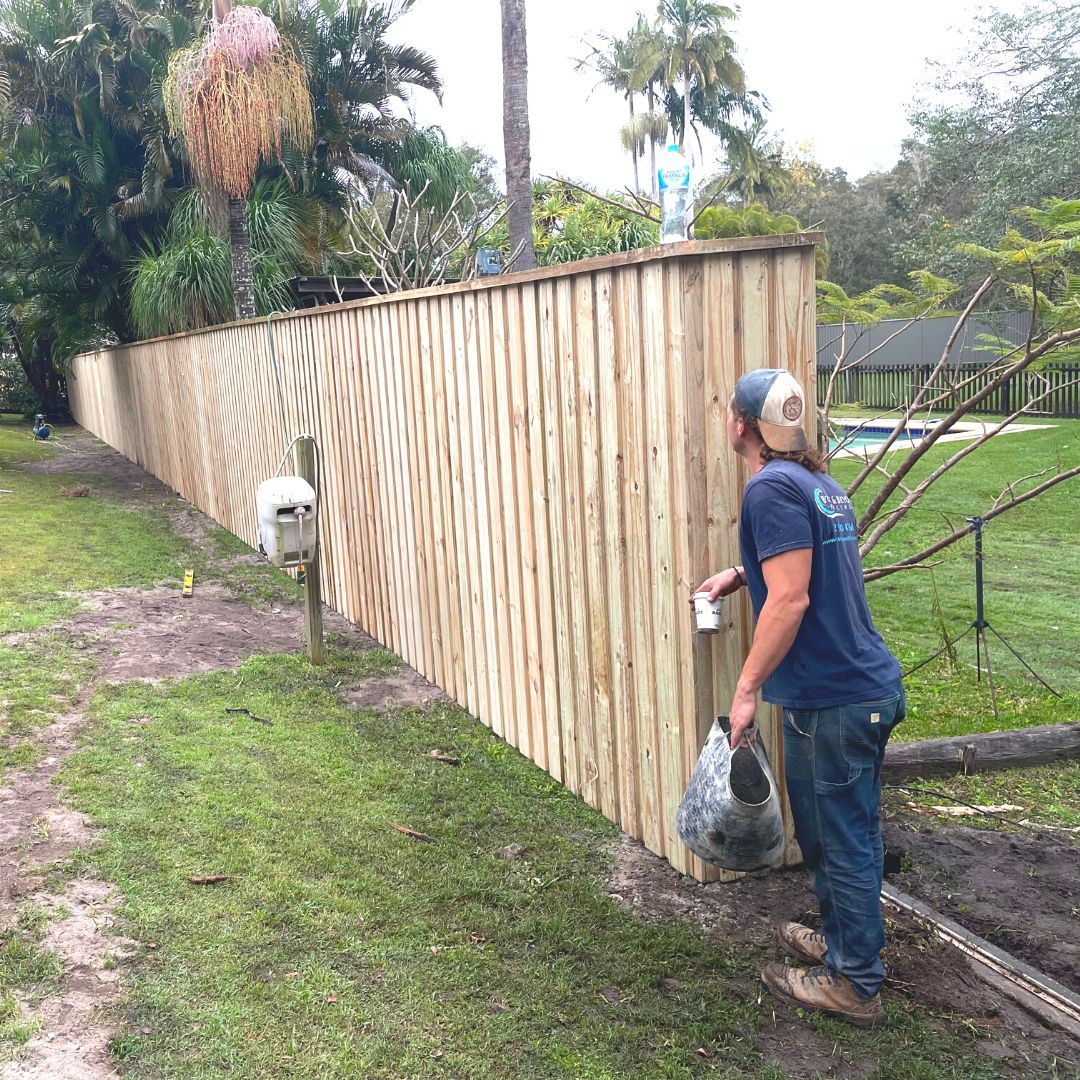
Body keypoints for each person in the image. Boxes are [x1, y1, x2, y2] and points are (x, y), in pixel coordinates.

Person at [694, 368, 904, 1029]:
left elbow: (791, 597)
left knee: (839, 840)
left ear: (743, 425)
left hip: (836, 701)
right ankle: (846, 943)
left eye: (732, 412)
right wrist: (739, 573)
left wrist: (746, 686)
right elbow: (798, 568)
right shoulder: (819, 486)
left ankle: (854, 983)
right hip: (864, 688)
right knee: (843, 832)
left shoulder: (767, 490)